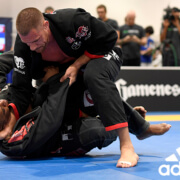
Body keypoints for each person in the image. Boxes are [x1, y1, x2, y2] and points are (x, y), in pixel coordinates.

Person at [1, 7, 168, 168]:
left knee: (93, 76)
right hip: (69, 75)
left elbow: (109, 37)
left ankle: (127, 146)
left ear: (45, 25)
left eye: (36, 40)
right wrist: (10, 125)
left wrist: (77, 64)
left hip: (103, 53)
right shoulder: (25, 45)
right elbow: (21, 87)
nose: (32, 47)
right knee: (83, 98)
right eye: (27, 43)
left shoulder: (72, 21)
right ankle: (140, 126)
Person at [0, 67, 171, 158]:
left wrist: (22, 50)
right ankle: (124, 121)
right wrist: (54, 81)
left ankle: (140, 127)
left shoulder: (6, 94)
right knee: (99, 131)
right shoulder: (11, 143)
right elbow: (51, 120)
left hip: (56, 106)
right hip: (59, 139)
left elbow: (7, 62)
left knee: (93, 91)